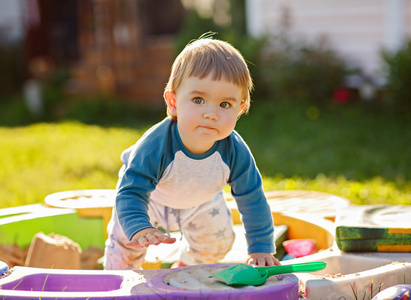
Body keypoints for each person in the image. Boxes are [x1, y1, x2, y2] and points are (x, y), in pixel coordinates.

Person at [104, 37, 280, 270]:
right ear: (173, 102)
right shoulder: (156, 145)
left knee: (218, 244)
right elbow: (131, 191)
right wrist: (139, 226)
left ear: (240, 108)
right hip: (149, 200)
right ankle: (119, 284)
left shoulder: (235, 152)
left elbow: (252, 198)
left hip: (202, 201)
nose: (211, 114)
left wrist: (260, 248)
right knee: (126, 246)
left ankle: (183, 269)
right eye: (198, 100)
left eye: (225, 104)